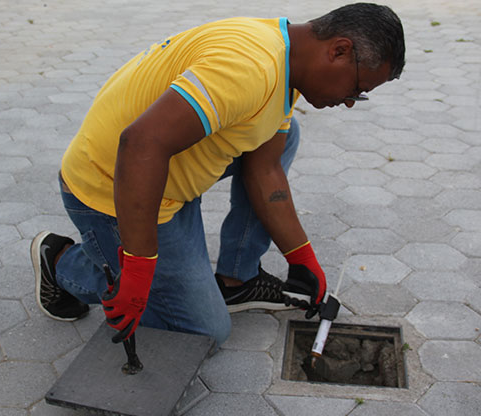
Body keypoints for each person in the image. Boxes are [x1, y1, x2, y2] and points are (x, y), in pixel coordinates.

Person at [31, 3, 405, 346]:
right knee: (203, 331)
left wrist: (300, 255)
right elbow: (140, 144)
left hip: (163, 167)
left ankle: (236, 280)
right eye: (358, 88)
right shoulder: (250, 69)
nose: (352, 101)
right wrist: (139, 269)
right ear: (338, 50)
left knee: (284, 136)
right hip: (116, 186)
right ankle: (63, 261)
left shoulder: (289, 60)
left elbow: (266, 168)